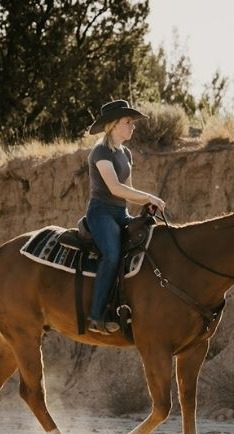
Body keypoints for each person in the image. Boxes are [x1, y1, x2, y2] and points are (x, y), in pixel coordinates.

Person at [85, 99, 165, 334]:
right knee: (111, 254)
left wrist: (146, 203)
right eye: (128, 122)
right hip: (101, 214)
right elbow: (115, 188)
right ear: (112, 125)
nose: (133, 126)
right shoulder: (100, 152)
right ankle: (96, 316)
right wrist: (150, 196)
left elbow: (128, 192)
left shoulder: (126, 153)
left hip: (121, 213)